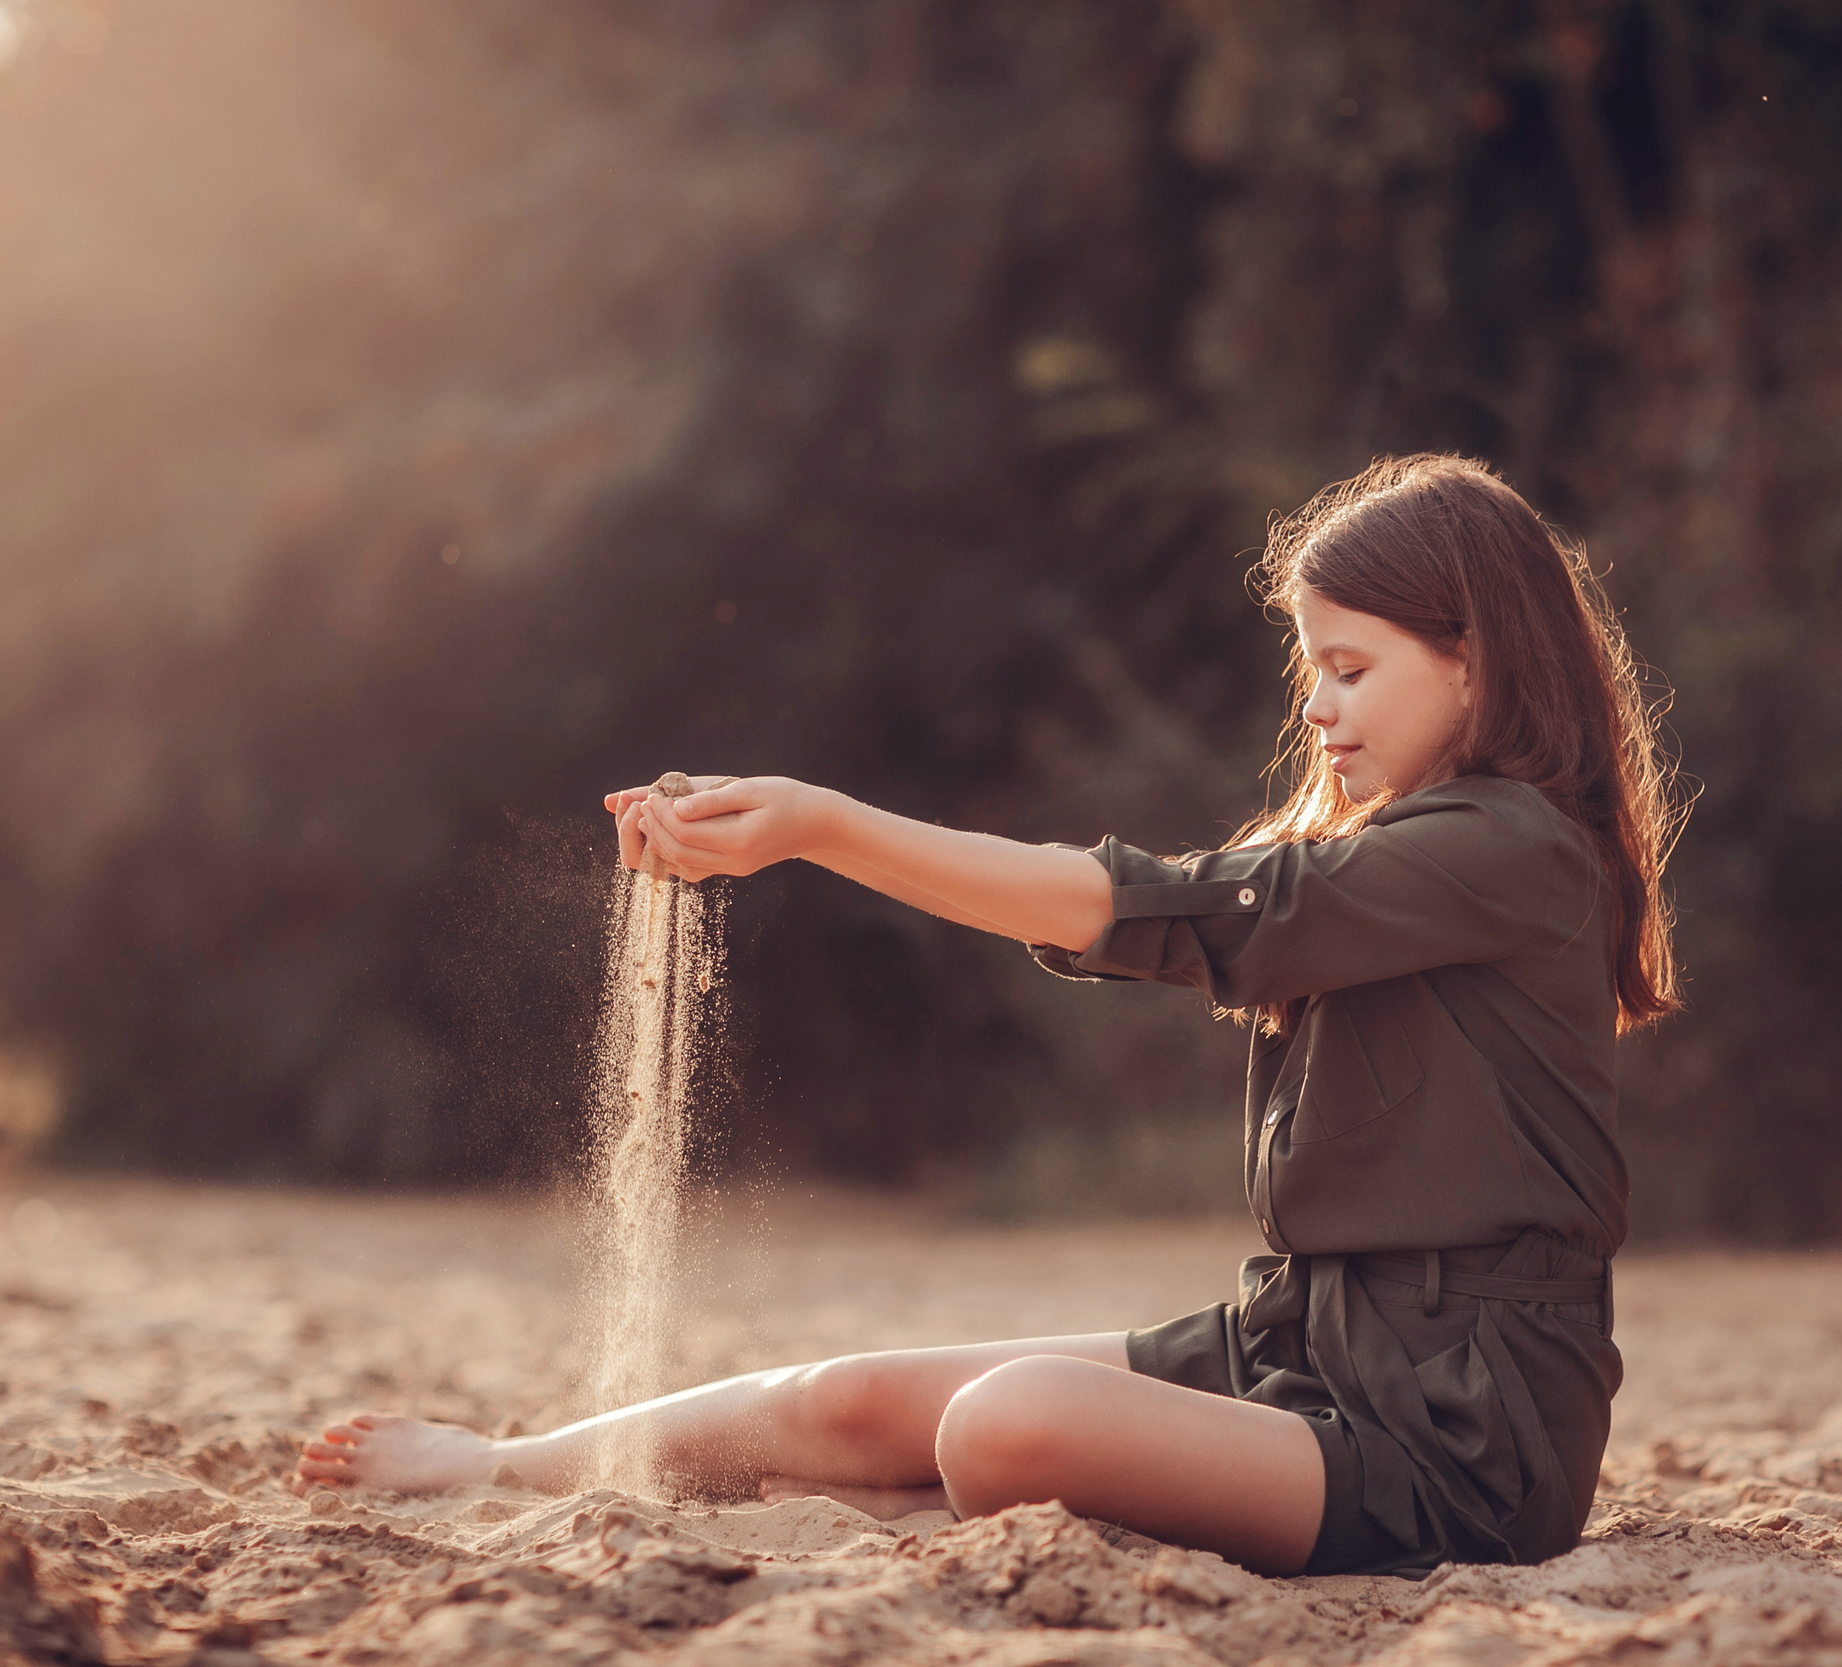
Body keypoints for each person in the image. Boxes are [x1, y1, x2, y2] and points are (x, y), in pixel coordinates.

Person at [293, 453, 1680, 1578]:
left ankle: (926, 1495)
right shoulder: (1413, 849)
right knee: (843, 1399)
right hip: (1303, 1340)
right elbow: (1175, 909)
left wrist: (824, 825)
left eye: (1353, 667)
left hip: (1465, 1432)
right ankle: (502, 1460)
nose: (1316, 707)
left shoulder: (1515, 848)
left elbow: (1165, 907)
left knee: (1005, 1425)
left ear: (1477, 661)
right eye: (1309, 668)